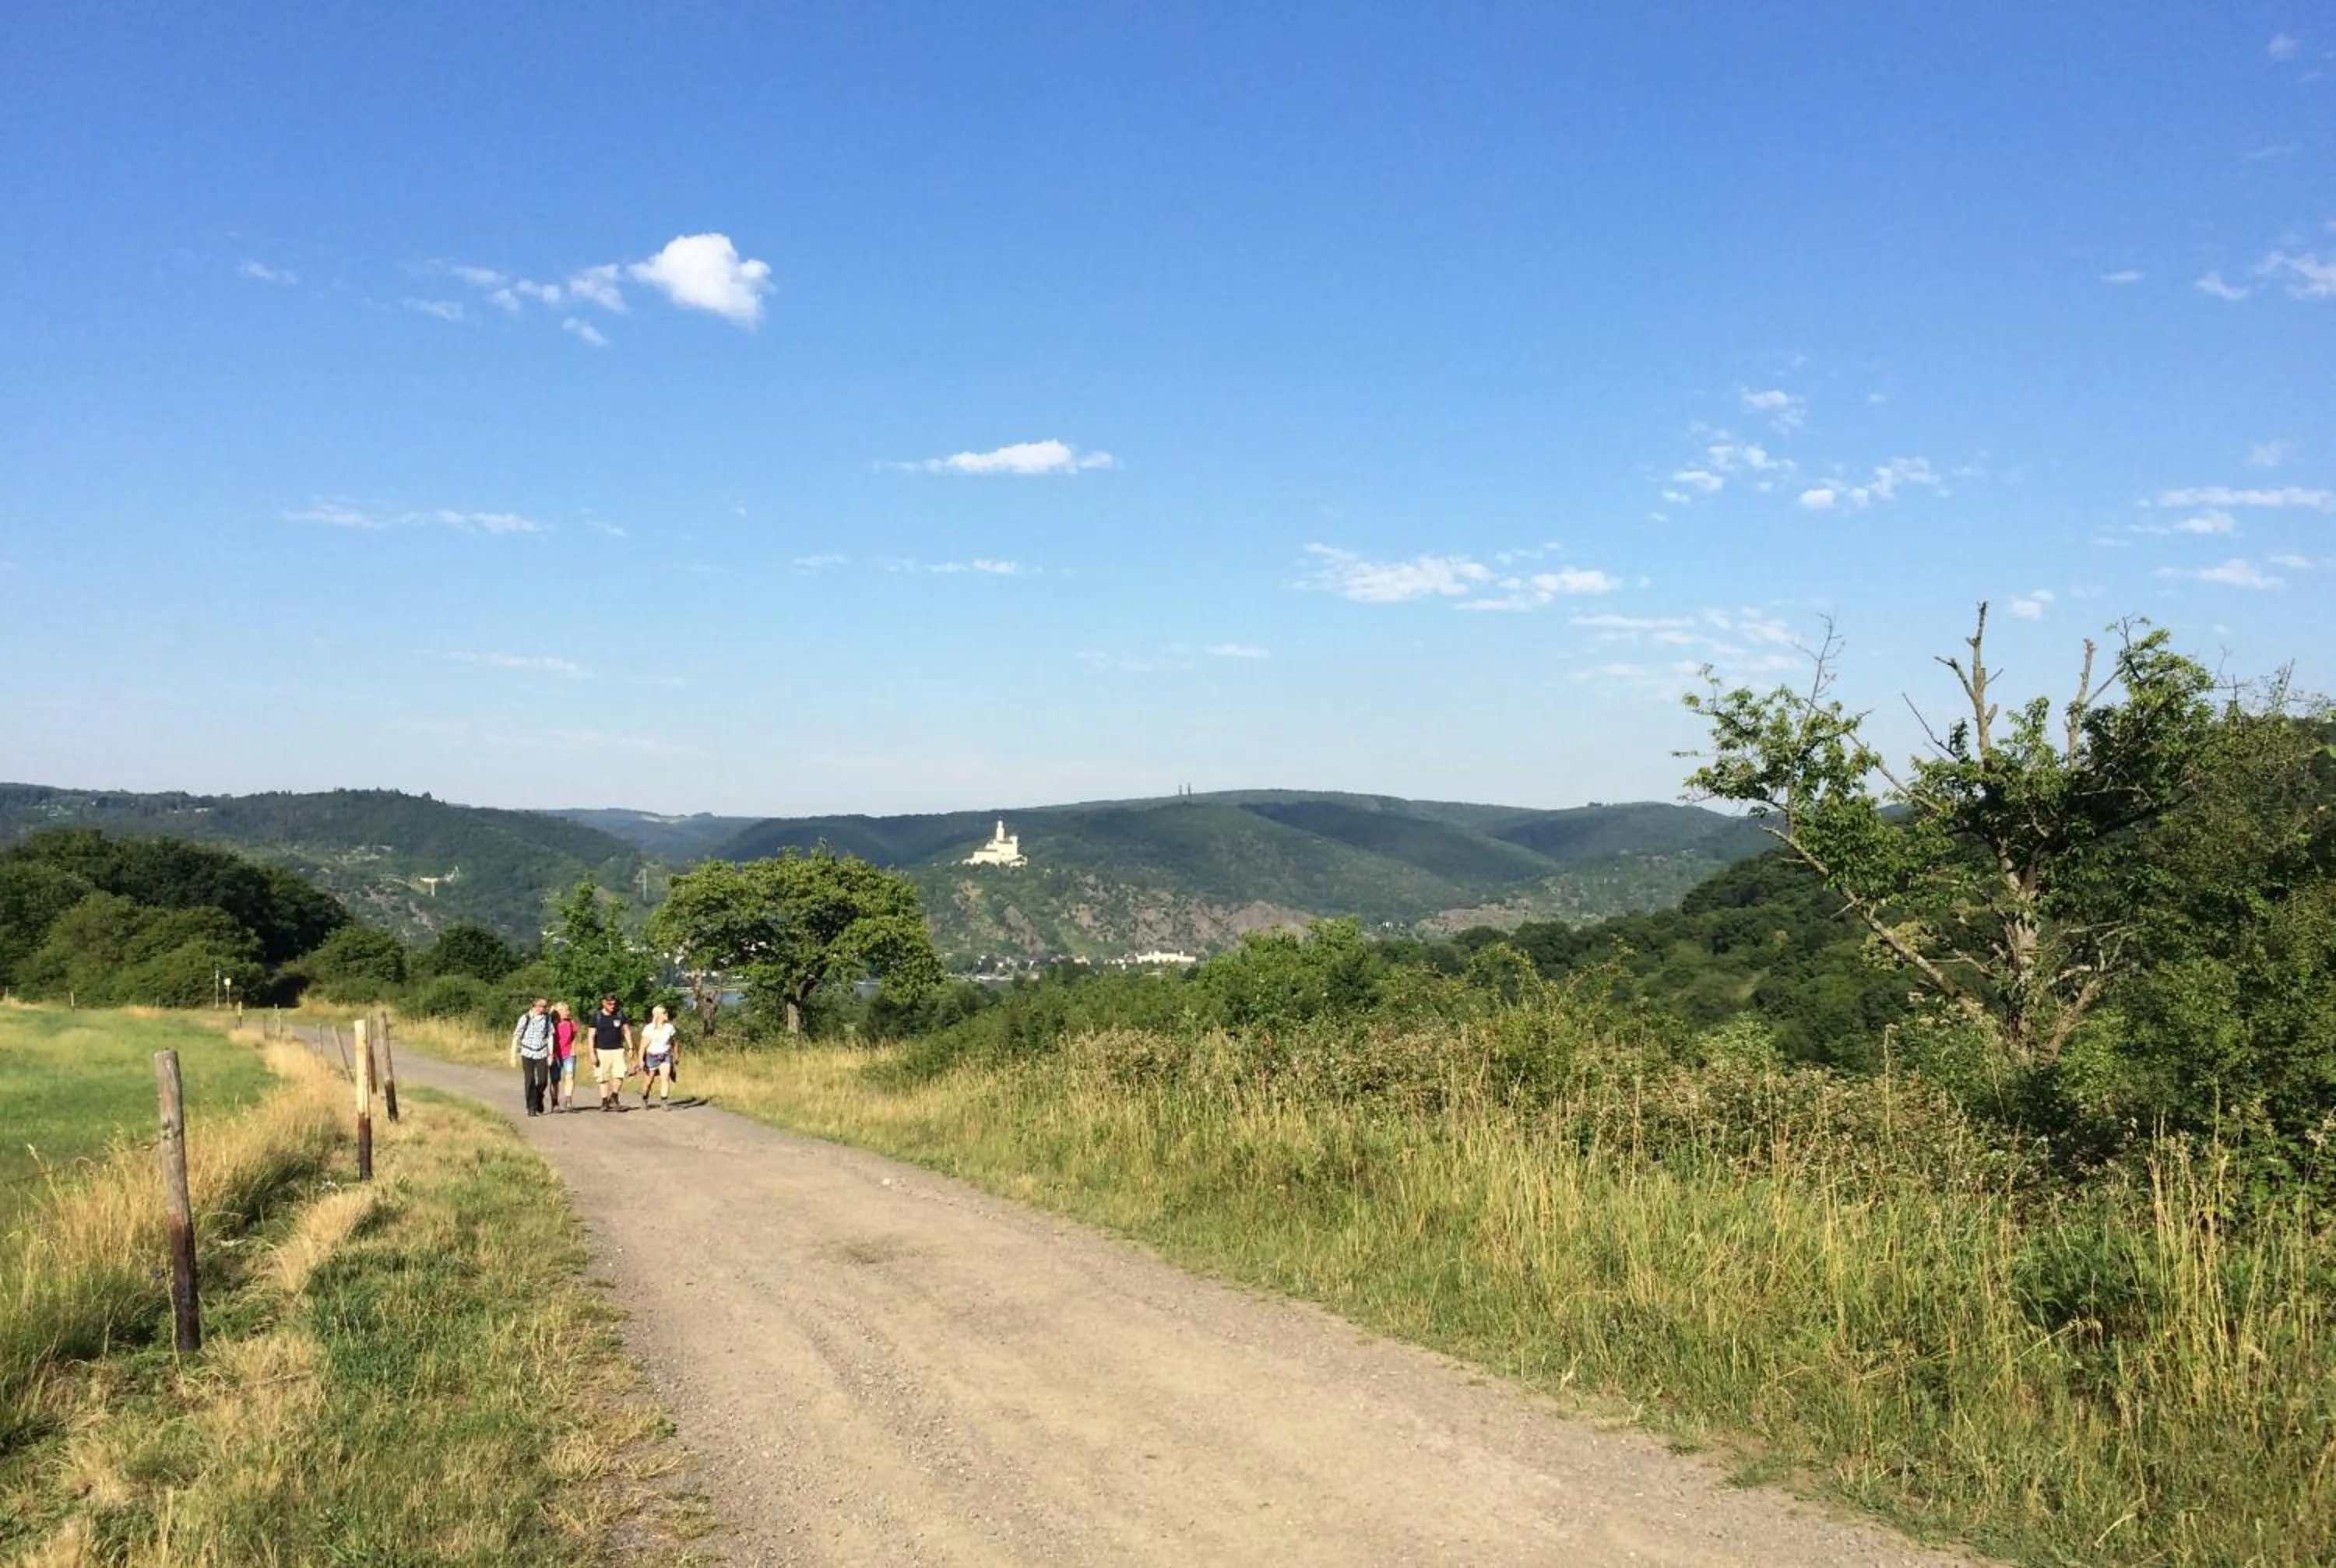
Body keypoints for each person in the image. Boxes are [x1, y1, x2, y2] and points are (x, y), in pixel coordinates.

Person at [509, 997, 558, 1116]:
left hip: (541, 1052)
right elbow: (516, 1036)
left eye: (544, 1006)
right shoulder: (525, 1018)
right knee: (530, 1080)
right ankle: (531, 1107)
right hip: (527, 1052)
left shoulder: (547, 1019)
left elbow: (550, 1036)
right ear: (534, 1006)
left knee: (543, 1081)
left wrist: (551, 1054)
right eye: (540, 1006)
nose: (542, 1009)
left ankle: (538, 1097)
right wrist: (513, 1055)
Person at [589, 994, 633, 1112]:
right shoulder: (597, 1016)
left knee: (620, 1074)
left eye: (614, 1003)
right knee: (602, 1077)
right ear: (604, 1003)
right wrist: (592, 1052)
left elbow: (627, 1031)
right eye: (610, 1004)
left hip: (618, 1049)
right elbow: (591, 1036)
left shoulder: (620, 1014)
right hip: (601, 1050)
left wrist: (631, 1047)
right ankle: (604, 1101)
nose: (612, 1006)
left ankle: (614, 1096)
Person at [638, 1004, 678, 1108]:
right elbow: (642, 1047)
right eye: (664, 1013)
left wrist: (676, 1055)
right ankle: (644, 1097)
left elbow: (674, 1042)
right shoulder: (650, 1029)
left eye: (666, 1012)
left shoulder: (669, 1028)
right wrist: (641, 1061)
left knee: (665, 1078)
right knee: (649, 1080)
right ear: (658, 1015)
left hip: (665, 1055)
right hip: (652, 1056)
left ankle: (664, 1101)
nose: (667, 1014)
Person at [551, 1000, 579, 1111]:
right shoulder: (552, 1023)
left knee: (570, 1076)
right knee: (555, 1079)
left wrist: (573, 1049)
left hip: (568, 1054)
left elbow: (574, 1037)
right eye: (566, 1010)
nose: (568, 1012)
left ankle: (568, 1101)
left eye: (568, 1010)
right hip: (555, 1054)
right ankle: (555, 1102)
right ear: (559, 1011)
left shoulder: (571, 1023)